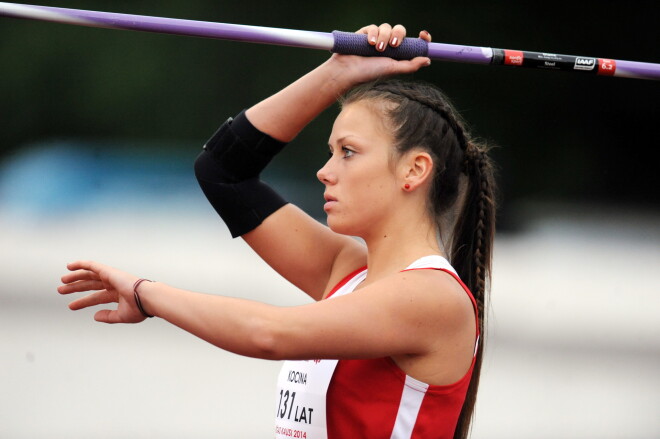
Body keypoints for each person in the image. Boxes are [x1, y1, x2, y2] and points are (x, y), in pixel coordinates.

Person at [58, 24, 497, 439]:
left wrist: (143, 292)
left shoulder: (434, 299)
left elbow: (268, 333)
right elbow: (224, 171)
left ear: (414, 170)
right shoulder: (347, 272)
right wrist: (336, 73)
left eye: (348, 152)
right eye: (331, 152)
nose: (325, 172)